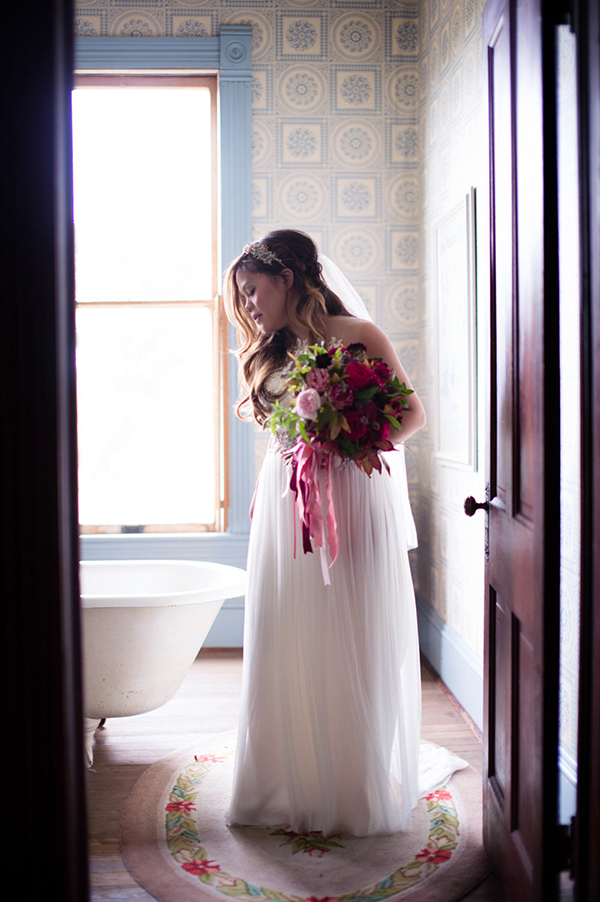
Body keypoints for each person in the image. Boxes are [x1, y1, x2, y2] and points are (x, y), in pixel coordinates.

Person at [223, 229, 464, 838]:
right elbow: (278, 428)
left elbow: (411, 416)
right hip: (286, 502)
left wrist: (350, 440)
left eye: (254, 290)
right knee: (290, 623)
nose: (249, 305)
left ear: (290, 279)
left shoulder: (359, 336)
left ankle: (349, 776)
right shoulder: (273, 350)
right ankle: (284, 772)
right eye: (242, 295)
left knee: (347, 624)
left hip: (352, 495)